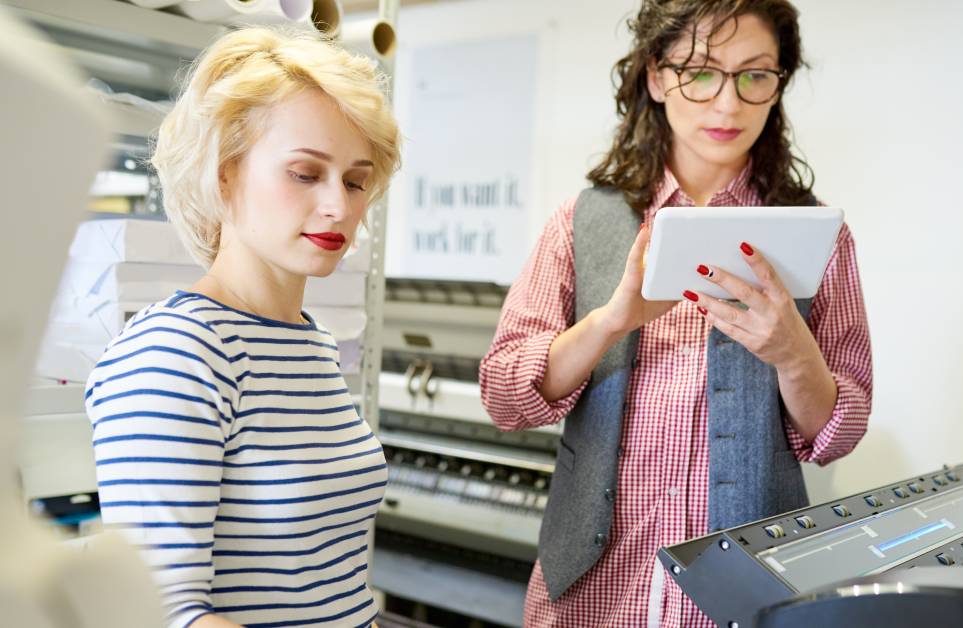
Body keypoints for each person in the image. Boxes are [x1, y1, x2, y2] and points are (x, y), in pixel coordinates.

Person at [479, 1, 873, 625]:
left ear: (778, 85)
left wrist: (792, 351)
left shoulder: (815, 235)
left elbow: (837, 435)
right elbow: (504, 395)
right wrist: (610, 320)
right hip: (590, 588)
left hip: (741, 595)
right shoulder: (582, 221)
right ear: (657, 77)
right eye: (700, 71)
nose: (727, 103)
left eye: (754, 75)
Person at [84, 27, 399, 628]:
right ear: (222, 174)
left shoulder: (310, 342)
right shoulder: (175, 356)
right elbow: (161, 616)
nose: (340, 206)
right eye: (306, 173)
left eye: (356, 181)